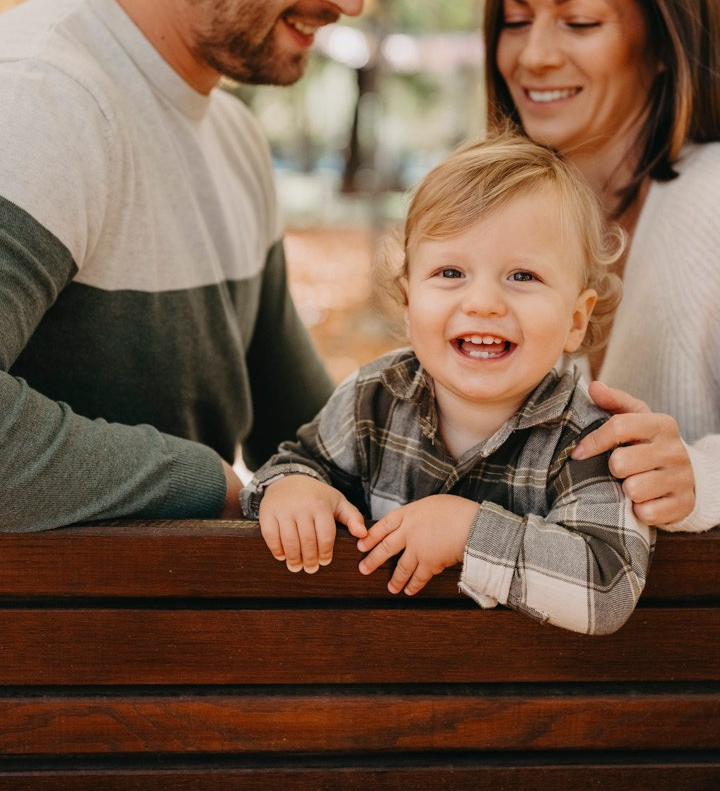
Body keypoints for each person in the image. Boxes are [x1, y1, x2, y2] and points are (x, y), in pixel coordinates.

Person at [0, 0, 400, 530]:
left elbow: (320, 443)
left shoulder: (232, 138)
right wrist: (211, 481)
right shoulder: (42, 101)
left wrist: (553, 450)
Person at [483, 0, 720, 532]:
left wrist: (707, 477)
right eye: (515, 21)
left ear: (660, 41)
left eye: (579, 22)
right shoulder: (501, 217)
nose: (533, 55)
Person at [241, 135, 654, 635]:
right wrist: (291, 487)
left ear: (575, 319)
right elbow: (297, 463)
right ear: (408, 301)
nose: (483, 303)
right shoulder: (373, 398)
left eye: (522, 276)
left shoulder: (587, 440)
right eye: (451, 272)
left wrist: (469, 532)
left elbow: (607, 590)